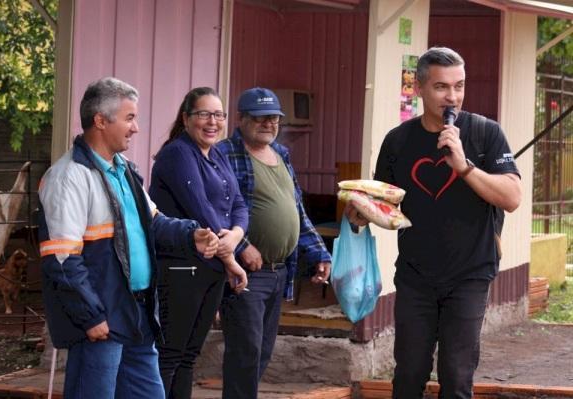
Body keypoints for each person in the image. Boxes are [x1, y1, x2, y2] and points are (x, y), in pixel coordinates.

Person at [346, 47, 522, 398]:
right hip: (415, 276)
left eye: (459, 86)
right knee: (409, 375)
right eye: (442, 87)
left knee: (456, 376)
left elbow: (512, 197)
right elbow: (385, 203)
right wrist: (359, 214)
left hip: (470, 274)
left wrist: (464, 167)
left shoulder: (485, 134)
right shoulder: (398, 141)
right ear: (419, 89)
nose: (452, 97)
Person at [38, 77, 220, 399]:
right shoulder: (69, 178)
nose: (136, 128)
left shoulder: (125, 171)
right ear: (100, 120)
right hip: (102, 318)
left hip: (137, 312)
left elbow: (155, 223)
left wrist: (192, 236)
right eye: (130, 118)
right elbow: (61, 259)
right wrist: (91, 316)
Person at [217, 87, 332, 399]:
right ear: (241, 119)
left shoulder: (281, 154)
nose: (269, 123)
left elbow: (297, 210)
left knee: (262, 351)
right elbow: (214, 211)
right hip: (244, 271)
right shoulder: (224, 154)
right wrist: (241, 247)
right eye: (260, 117)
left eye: (274, 118)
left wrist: (320, 253)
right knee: (246, 352)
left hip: (280, 271)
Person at [148, 87, 248, 398]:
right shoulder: (178, 153)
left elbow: (240, 204)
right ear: (186, 118)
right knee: (170, 354)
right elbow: (200, 209)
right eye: (204, 114)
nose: (212, 122)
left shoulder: (216, 153)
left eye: (218, 115)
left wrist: (235, 236)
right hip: (181, 268)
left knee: (190, 355)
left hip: (212, 265)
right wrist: (231, 258)